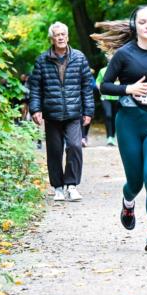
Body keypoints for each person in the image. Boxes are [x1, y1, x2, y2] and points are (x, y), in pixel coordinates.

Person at [93, 5, 147, 253]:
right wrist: (128, 89)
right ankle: (128, 201)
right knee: (135, 181)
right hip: (129, 122)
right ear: (135, 25)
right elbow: (105, 86)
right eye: (143, 22)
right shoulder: (124, 54)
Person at [28, 22, 94, 202]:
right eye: (57, 35)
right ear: (52, 38)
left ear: (68, 36)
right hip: (52, 114)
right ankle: (58, 187)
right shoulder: (42, 60)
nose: (61, 37)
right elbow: (36, 88)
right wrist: (35, 109)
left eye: (63, 34)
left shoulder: (79, 58)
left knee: (74, 146)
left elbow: (87, 87)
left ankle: (71, 185)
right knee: (55, 151)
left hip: (74, 113)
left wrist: (88, 111)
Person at [95, 64, 120, 146]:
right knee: (108, 115)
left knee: (115, 117)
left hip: (117, 97)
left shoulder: (120, 68)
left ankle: (113, 136)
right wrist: (101, 88)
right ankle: (109, 137)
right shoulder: (102, 70)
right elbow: (98, 81)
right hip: (105, 97)